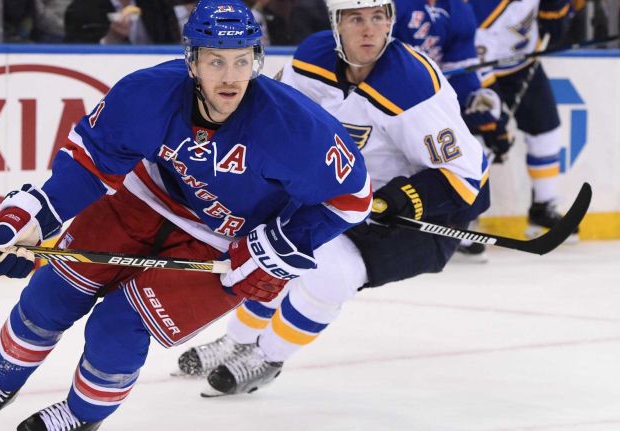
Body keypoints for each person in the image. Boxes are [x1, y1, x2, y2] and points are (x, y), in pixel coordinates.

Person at [0, 0, 372, 430]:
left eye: (242, 62)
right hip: (143, 200)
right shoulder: (146, 93)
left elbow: (353, 198)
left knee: (118, 326)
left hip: (224, 241)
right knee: (51, 293)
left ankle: (79, 416)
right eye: (215, 61)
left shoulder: (294, 127)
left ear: (257, 60)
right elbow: (90, 161)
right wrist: (36, 217)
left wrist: (277, 247)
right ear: (191, 60)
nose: (230, 78)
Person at [176, 0, 490, 396]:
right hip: (339, 196)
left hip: (420, 214)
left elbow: (465, 179)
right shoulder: (312, 58)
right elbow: (276, 118)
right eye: (356, 18)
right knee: (272, 251)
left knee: (329, 274)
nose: (369, 30)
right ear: (336, 23)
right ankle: (237, 340)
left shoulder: (412, 86)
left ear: (391, 21)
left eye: (378, 18)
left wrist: (394, 201)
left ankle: (267, 357)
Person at [391, 0, 505, 261]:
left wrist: (474, 103)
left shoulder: (458, 9)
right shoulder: (397, 4)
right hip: (386, 93)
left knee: (469, 150)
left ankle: (456, 225)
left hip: (430, 97)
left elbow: (460, 70)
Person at [470, 0, 577, 240]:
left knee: (547, 130)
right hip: (482, 72)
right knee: (481, 140)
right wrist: (492, 115)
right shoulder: (485, 7)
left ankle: (543, 206)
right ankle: (465, 212)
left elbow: (558, 21)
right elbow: (472, 57)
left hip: (523, 64)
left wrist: (559, 11)